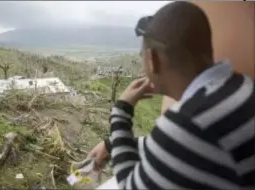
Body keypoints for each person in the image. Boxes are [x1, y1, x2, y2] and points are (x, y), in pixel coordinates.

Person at [88, 1, 254, 190]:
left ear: (153, 60)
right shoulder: (242, 85)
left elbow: (129, 186)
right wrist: (112, 145)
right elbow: (183, 148)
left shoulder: (189, 123)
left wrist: (122, 110)